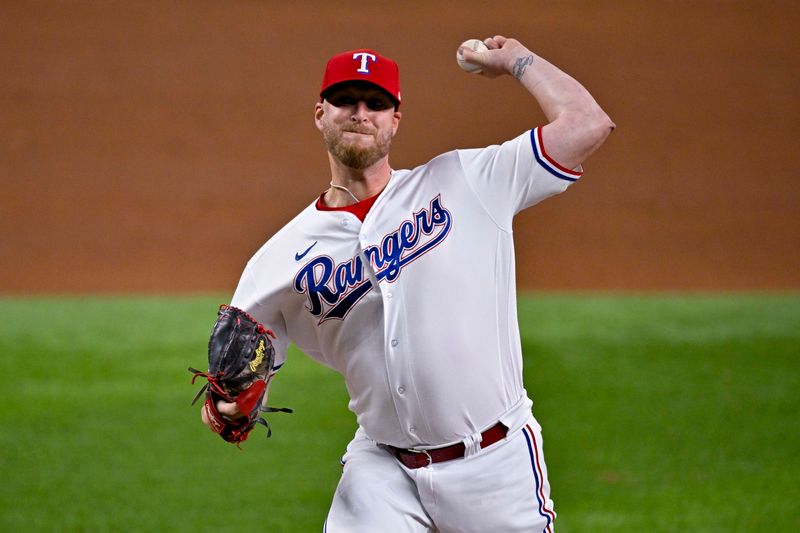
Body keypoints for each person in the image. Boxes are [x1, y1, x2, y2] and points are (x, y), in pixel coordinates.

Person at [201, 35, 614, 532]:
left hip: (496, 464)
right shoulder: (277, 260)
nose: (360, 113)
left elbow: (588, 125)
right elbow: (239, 384)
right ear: (320, 113)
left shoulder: (466, 180)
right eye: (345, 100)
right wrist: (230, 408)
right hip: (382, 471)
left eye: (376, 103)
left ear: (395, 120)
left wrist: (514, 60)